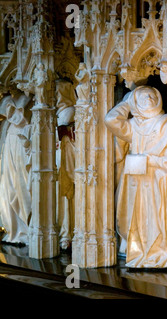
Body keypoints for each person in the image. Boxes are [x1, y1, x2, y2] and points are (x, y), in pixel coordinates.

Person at [105, 86, 167, 268]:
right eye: (143, 97)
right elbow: (111, 120)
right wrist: (127, 103)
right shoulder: (134, 125)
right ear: (135, 102)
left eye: (152, 96)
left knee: (164, 218)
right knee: (141, 218)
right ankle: (143, 255)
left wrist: (154, 161)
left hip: (162, 179)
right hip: (139, 180)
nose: (149, 99)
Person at [0, 94, 32, 244]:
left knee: (23, 186)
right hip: (11, 143)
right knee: (9, 187)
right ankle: (15, 229)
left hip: (22, 143)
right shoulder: (7, 122)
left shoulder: (28, 102)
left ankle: (28, 227)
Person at [55, 81, 77, 250]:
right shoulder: (59, 113)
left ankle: (67, 233)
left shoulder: (69, 112)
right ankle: (64, 233)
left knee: (67, 197)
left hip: (66, 161)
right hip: (59, 160)